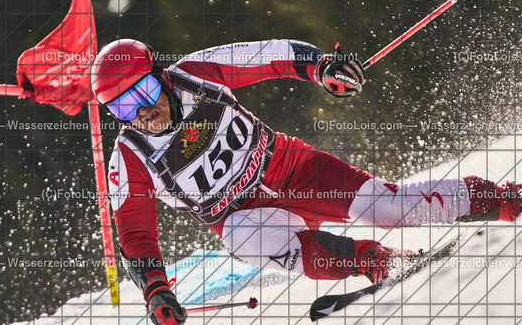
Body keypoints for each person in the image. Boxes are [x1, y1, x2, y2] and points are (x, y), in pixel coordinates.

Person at [91, 38, 521, 325]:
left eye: (143, 93)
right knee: (243, 237)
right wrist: (156, 291)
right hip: (247, 218)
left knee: (392, 209)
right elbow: (135, 235)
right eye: (122, 108)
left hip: (295, 169)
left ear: (160, 74)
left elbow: (269, 54)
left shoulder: (195, 73)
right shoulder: (130, 157)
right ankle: (383, 262)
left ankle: (507, 200)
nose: (141, 112)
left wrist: (322, 67)